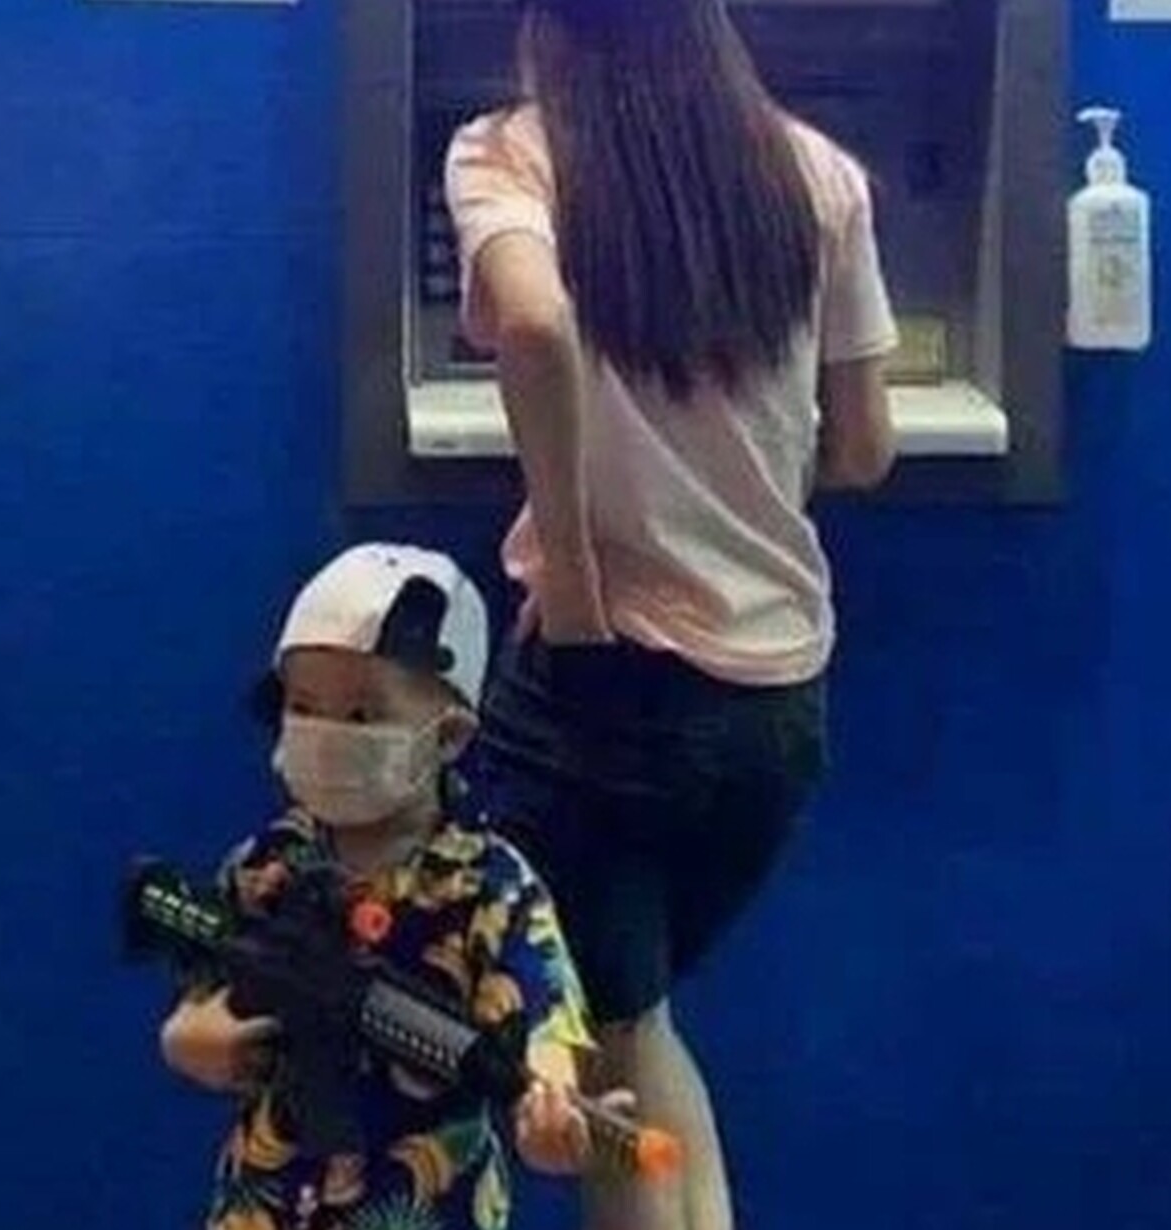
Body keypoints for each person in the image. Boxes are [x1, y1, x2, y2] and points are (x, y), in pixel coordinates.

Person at [442, 1, 902, 1228]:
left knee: (607, 1059)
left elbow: (531, 319)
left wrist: (576, 582)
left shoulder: (509, 153)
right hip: (775, 702)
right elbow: (863, 448)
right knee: (633, 1030)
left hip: (605, 685)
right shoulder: (818, 173)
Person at [157, 543, 627, 1230]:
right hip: (265, 1202)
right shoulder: (265, 864)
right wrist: (186, 1038)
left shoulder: (490, 886)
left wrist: (550, 1105)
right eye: (303, 706)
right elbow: (203, 980)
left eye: (362, 716)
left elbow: (544, 1015)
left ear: (449, 736)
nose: (325, 733)